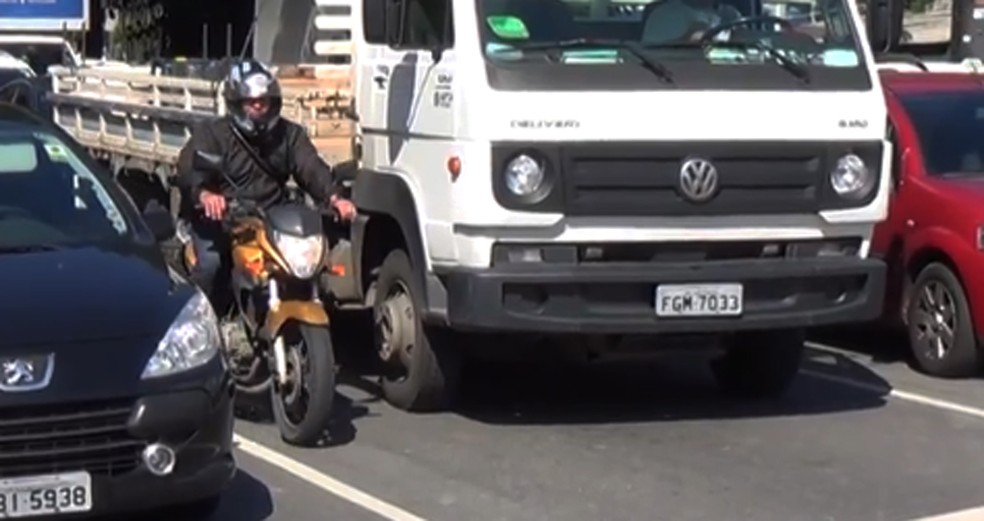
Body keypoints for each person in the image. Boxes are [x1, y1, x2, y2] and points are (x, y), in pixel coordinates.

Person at [175, 58, 356, 312]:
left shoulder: (289, 135)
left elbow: (311, 167)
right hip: (224, 219)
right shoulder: (213, 134)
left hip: (272, 217)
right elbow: (187, 167)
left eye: (264, 101)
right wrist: (205, 194)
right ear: (238, 104)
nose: (259, 107)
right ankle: (201, 327)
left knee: (311, 263)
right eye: (252, 102)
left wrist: (335, 198)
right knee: (211, 265)